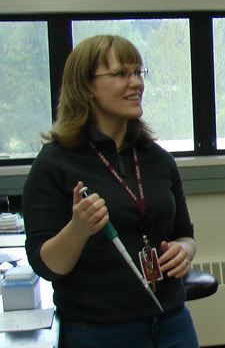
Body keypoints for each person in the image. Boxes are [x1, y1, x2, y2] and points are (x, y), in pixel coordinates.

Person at [22, 35, 199, 348]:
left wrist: (184, 251)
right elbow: (46, 266)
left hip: (171, 321)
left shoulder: (158, 159)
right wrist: (79, 229)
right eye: (120, 74)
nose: (135, 83)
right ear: (87, 87)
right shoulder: (55, 163)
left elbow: (185, 234)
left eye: (138, 72)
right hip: (98, 330)